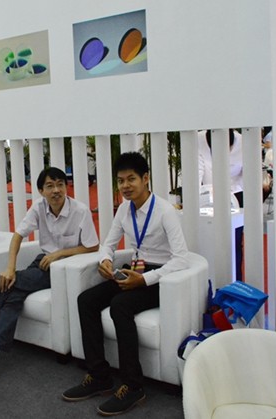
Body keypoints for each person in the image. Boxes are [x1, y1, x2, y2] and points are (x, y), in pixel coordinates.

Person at [62, 152, 189, 416]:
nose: (125, 186)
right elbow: (108, 244)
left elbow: (181, 259)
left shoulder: (165, 211)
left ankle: (133, 386)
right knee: (86, 300)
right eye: (121, 181)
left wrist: (145, 279)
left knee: (120, 305)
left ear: (145, 178)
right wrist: (105, 261)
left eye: (131, 179)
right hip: (133, 270)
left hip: (159, 277)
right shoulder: (124, 209)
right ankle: (100, 376)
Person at [0, 167, 99, 377]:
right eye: (50, 186)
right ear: (41, 191)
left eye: (60, 184)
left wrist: (60, 254)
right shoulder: (39, 207)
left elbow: (92, 246)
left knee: (11, 284)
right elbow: (18, 235)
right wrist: (10, 268)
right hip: (43, 262)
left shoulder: (80, 211)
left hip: (65, 267)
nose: (56, 190)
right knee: (13, 292)